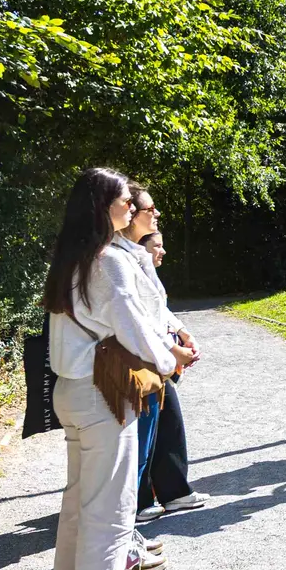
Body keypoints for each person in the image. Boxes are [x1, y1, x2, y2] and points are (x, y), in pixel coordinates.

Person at [41, 167, 188, 570]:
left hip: (72, 390)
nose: (131, 206)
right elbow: (135, 328)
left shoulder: (73, 259)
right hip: (102, 393)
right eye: (125, 200)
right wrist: (170, 361)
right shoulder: (109, 261)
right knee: (109, 508)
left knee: (79, 503)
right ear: (103, 206)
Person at [116, 186, 207, 522]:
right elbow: (135, 319)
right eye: (149, 208)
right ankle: (136, 507)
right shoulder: (116, 257)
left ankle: (171, 492)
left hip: (153, 357)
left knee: (166, 424)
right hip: (136, 360)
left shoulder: (134, 255)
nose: (156, 213)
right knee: (138, 439)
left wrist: (180, 332)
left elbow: (156, 307)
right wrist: (173, 351)